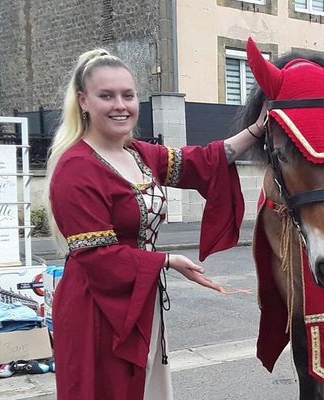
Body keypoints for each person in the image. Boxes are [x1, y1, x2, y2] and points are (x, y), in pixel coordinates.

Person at [45, 49, 266, 400]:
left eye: (128, 95)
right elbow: (97, 258)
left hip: (138, 295)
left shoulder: (137, 153)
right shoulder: (76, 168)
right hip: (96, 310)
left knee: (145, 386)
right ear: (84, 101)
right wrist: (167, 260)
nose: (121, 105)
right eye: (107, 96)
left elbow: (203, 161)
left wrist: (257, 129)